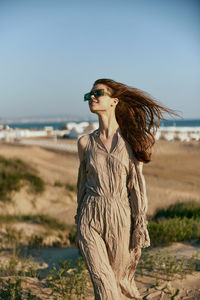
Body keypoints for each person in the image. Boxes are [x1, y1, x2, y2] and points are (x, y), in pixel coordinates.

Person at [74, 78, 175, 300]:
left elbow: (137, 188)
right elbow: (82, 183)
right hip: (89, 216)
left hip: (121, 217)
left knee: (121, 283)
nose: (91, 98)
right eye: (88, 95)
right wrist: (79, 219)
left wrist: (139, 224)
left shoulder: (132, 142)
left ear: (114, 101)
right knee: (104, 283)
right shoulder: (84, 143)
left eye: (97, 93)